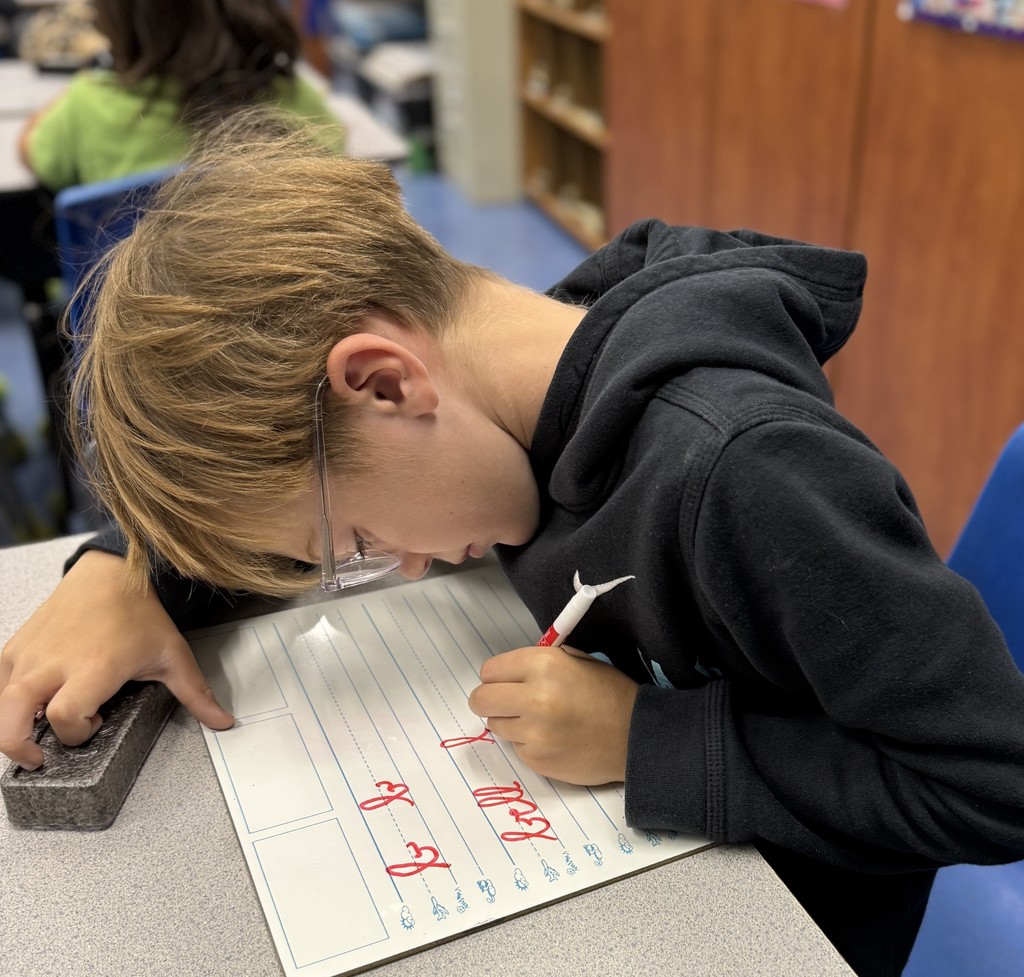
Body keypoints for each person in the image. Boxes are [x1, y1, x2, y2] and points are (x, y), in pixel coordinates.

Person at [1, 119, 1023, 977]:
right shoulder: (529, 352)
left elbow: (991, 784)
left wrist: (645, 738)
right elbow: (294, 458)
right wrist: (122, 564)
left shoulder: (745, 474)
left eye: (355, 537)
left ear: (388, 382)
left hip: (790, 920)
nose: (401, 563)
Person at [17, 0, 344, 190]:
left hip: (129, 305)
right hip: (283, 299)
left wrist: (61, 100)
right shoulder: (292, 94)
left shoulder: (87, 104)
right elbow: (337, 151)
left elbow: (33, 151)